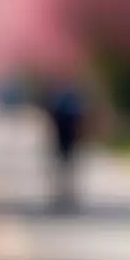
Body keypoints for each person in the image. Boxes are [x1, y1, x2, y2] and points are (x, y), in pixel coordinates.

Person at [42, 80, 86, 212]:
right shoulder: (68, 99)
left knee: (64, 166)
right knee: (66, 166)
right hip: (66, 137)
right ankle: (64, 193)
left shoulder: (63, 99)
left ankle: (64, 193)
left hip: (65, 137)